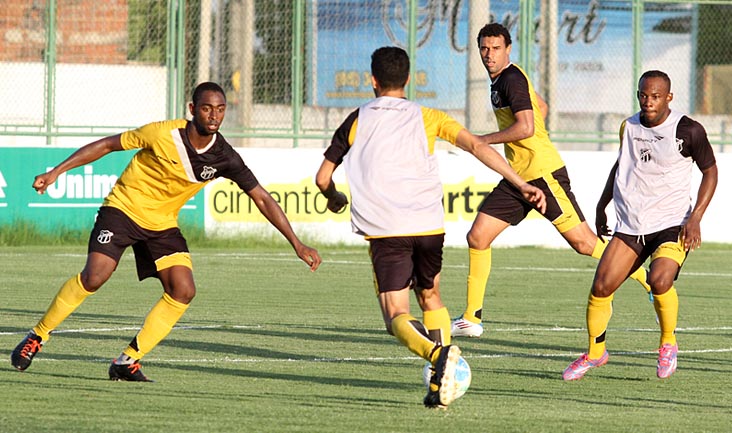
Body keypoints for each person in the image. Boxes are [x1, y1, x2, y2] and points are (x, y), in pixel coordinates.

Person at [11, 82, 321, 381]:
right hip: (123, 209)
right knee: (95, 275)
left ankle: (127, 361)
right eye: (207, 109)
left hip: (162, 225)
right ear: (192, 109)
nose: (214, 116)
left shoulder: (225, 156)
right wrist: (56, 172)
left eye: (221, 109)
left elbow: (262, 198)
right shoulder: (162, 133)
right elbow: (107, 145)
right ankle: (37, 336)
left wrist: (297, 243)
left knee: (183, 290)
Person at [315, 46, 546, 408]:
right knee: (431, 297)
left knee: (395, 316)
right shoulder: (429, 115)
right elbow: (475, 146)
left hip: (385, 228)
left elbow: (322, 177)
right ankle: (444, 381)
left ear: (372, 80)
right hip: (428, 226)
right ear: (407, 80)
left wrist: (334, 198)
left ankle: (438, 357)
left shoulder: (356, 119)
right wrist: (521, 183)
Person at [451, 23, 652, 338]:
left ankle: (644, 276)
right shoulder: (503, 80)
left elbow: (527, 126)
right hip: (519, 178)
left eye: (495, 48)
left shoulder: (511, 80)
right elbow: (540, 107)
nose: (489, 54)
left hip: (543, 175)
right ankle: (471, 318)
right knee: (478, 236)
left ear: (508, 49)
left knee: (585, 244)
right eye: (484, 48)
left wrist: (483, 140)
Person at [562, 70, 717, 380]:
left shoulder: (688, 130)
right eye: (643, 95)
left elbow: (710, 172)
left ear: (669, 98)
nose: (648, 102)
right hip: (631, 223)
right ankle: (596, 352)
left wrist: (696, 217)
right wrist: (602, 203)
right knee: (601, 286)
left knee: (660, 280)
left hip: (673, 224)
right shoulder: (629, 126)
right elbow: (623, 165)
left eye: (655, 96)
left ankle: (668, 342)